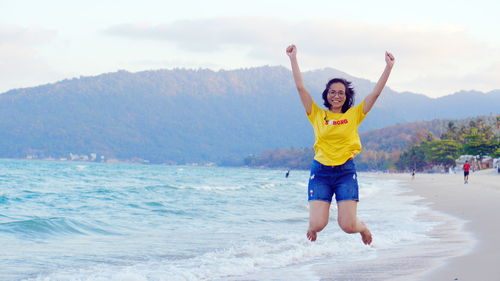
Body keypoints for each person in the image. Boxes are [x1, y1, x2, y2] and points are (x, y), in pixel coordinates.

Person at [285, 44, 395, 245]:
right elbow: (301, 88)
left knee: (348, 226)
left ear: (346, 97)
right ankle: (313, 225)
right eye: (333, 92)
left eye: (341, 93)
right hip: (321, 172)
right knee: (317, 224)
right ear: (327, 94)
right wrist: (293, 58)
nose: (337, 96)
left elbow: (375, 95)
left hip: (345, 171)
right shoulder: (316, 114)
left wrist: (388, 67)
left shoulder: (354, 115)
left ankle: (363, 227)